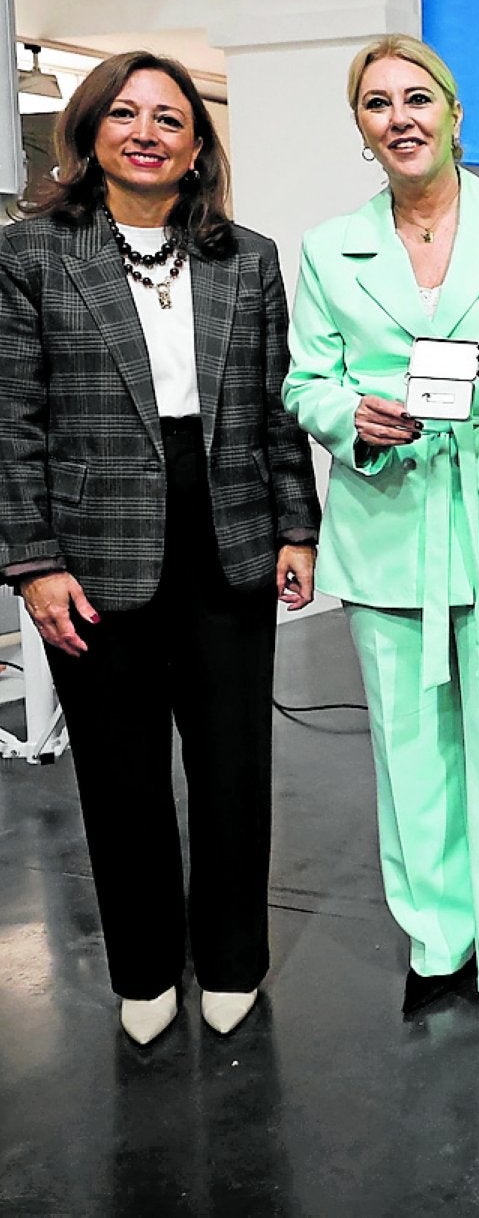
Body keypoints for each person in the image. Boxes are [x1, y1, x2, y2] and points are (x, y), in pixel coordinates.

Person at [283, 35, 479, 1056]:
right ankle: (438, 943)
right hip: (388, 518)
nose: (400, 116)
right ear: (363, 129)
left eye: (417, 97)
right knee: (411, 748)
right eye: (377, 103)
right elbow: (305, 381)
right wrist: (351, 418)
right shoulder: (330, 249)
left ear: (456, 113)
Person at [0, 52, 322, 1045]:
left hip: (227, 528)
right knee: (119, 769)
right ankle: (144, 969)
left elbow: (275, 406)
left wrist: (297, 524)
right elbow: (13, 417)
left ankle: (232, 959)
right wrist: (33, 559)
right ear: (90, 131)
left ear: (196, 145)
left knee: (234, 761)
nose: (148, 130)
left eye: (170, 117)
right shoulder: (33, 254)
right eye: (127, 113)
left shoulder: (248, 255)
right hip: (93, 545)